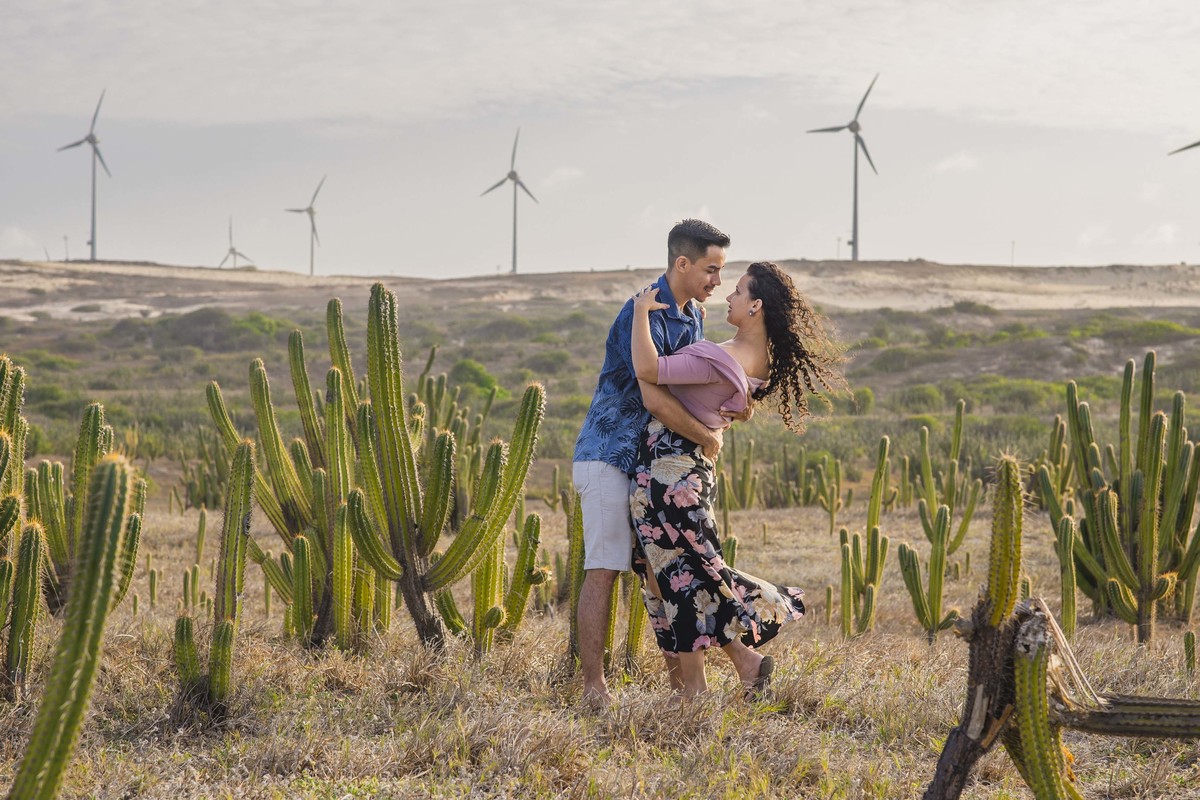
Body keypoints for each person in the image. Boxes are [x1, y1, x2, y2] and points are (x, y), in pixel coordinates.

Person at [628, 261, 844, 699]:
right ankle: (740, 666)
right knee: (673, 572)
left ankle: (697, 687)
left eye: (739, 291)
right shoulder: (758, 361)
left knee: (681, 574)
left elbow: (648, 371)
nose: (729, 295)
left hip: (670, 471)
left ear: (756, 305)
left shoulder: (719, 357)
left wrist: (638, 313)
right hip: (690, 472)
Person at [572, 219, 737, 709]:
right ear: (682, 263)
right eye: (710, 269)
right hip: (609, 455)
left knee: (662, 571)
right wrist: (707, 437)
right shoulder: (640, 311)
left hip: (650, 464)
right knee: (604, 569)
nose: (718, 281)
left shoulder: (693, 316)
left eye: (721, 271)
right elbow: (654, 396)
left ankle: (681, 689)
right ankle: (593, 688)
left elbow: (688, 386)